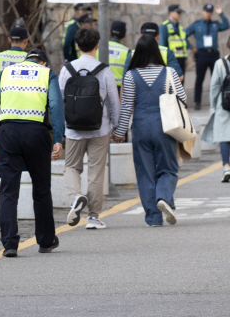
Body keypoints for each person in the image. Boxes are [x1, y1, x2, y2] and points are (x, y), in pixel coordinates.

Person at [0, 48, 64, 257]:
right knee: (41, 189)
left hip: (7, 133)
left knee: (9, 190)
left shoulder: (5, 73)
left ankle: (10, 243)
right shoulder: (47, 74)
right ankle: (46, 240)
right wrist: (58, 138)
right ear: (43, 63)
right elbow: (55, 105)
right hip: (37, 133)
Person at [113, 34, 187, 227]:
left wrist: (120, 132)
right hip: (165, 126)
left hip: (140, 127)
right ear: (156, 51)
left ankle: (153, 218)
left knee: (145, 172)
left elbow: (126, 106)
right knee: (168, 168)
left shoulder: (130, 75)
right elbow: (183, 99)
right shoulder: (169, 72)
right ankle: (163, 196)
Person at [59, 26, 120, 231]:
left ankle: (76, 197)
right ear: (97, 45)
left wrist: (59, 130)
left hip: (73, 129)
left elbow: (59, 101)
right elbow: (114, 101)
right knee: (96, 172)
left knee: (71, 167)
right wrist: (116, 127)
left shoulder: (67, 69)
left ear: (77, 46)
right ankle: (93, 217)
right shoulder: (104, 70)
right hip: (99, 128)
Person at [185, 4, 230, 110]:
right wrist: (191, 47)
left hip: (213, 53)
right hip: (201, 54)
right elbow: (184, 35)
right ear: (202, 12)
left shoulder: (215, 24)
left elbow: (226, 25)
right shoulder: (196, 25)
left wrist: (221, 14)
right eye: (206, 11)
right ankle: (197, 102)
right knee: (199, 78)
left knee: (219, 78)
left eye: (210, 12)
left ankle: (221, 99)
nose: (208, 14)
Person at [202, 37, 230, 182]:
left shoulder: (220, 63)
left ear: (227, 46)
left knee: (224, 137)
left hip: (224, 104)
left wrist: (213, 104)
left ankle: (226, 167)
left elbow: (214, 86)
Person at [0, 26, 30, 94]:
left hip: (2, 102)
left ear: (9, 40)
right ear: (26, 41)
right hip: (23, 102)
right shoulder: (30, 59)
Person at [159, 5, 188, 79]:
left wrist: (185, 58)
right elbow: (162, 45)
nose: (180, 15)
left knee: (181, 82)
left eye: (180, 13)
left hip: (182, 58)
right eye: (178, 13)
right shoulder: (164, 26)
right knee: (172, 82)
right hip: (172, 59)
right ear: (171, 13)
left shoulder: (180, 26)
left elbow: (183, 43)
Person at [106, 21, 129, 94]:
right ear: (125, 35)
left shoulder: (99, 48)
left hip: (102, 86)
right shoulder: (127, 51)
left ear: (110, 33)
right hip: (119, 89)